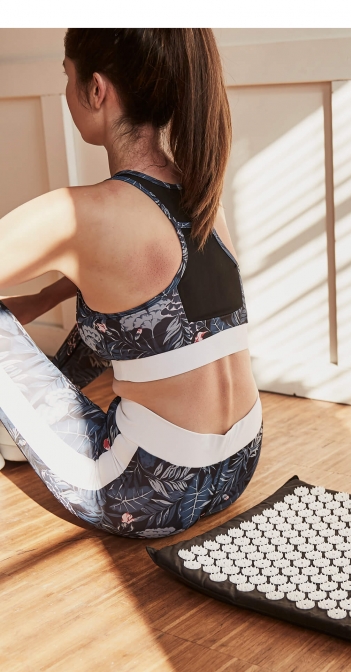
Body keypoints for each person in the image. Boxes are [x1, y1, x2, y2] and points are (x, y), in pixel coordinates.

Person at [0, 29, 262, 538]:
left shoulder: (79, 213)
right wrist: (42, 297)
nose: (67, 91)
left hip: (142, 494)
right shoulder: (200, 191)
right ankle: (17, 431)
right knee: (128, 316)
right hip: (238, 463)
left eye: (68, 78)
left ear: (96, 89)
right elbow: (133, 289)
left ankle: (14, 433)